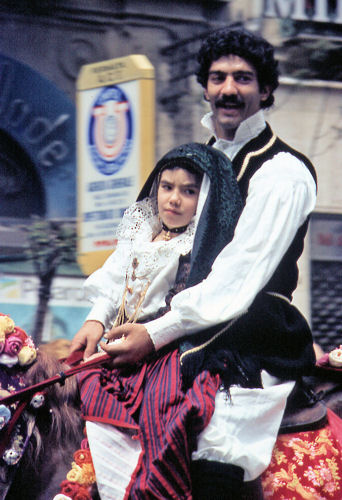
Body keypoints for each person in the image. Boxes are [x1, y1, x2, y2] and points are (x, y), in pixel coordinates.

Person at [70, 27, 317, 499]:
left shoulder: (282, 172)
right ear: (204, 86)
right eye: (218, 77)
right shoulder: (194, 166)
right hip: (183, 323)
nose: (228, 90)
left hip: (249, 330)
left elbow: (240, 275)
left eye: (243, 79)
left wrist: (157, 332)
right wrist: (98, 316)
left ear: (265, 90)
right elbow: (142, 245)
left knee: (214, 433)